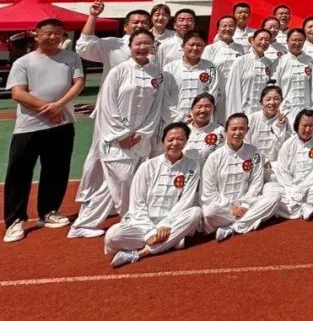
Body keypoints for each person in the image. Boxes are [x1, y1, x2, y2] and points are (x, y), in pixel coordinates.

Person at [69, 28, 163, 239]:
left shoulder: (156, 74)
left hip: (140, 140)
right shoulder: (118, 72)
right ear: (130, 47)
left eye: (146, 43)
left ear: (152, 47)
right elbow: (107, 106)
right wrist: (121, 135)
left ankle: (82, 224)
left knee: (110, 186)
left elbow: (156, 107)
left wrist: (142, 133)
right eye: (138, 44)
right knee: (124, 181)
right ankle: (131, 220)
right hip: (116, 140)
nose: (142, 47)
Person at [3, 17, 84, 243]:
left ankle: (48, 212)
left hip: (62, 124)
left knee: (57, 169)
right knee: (19, 172)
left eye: (58, 33)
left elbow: (78, 83)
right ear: (36, 35)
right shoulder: (24, 62)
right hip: (29, 126)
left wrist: (59, 106)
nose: (53, 37)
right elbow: (18, 93)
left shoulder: (72, 58)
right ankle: (15, 220)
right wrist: (46, 109)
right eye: (48, 33)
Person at [103, 122, 201, 268]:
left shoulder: (192, 166)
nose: (175, 143)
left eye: (180, 139)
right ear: (163, 141)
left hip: (170, 224)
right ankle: (171, 241)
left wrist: (166, 224)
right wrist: (150, 231)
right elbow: (137, 204)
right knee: (112, 236)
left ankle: (140, 253)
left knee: (195, 212)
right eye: (170, 139)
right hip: (142, 225)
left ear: (186, 141)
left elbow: (186, 200)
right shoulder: (147, 166)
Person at [201, 113, 280, 241]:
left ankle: (233, 227)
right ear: (226, 131)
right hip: (224, 209)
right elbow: (209, 191)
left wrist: (244, 205)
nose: (238, 133)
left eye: (242, 129)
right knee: (209, 213)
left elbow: (256, 183)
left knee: (274, 197)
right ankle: (247, 222)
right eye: (234, 129)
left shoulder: (254, 152)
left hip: (247, 205)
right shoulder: (214, 157)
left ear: (247, 131)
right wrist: (230, 207)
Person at [274, 109, 313, 221]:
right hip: (290, 187)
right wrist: (292, 189)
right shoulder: (288, 144)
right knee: (270, 189)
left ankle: (287, 208)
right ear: (297, 125)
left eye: (312, 126)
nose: (308, 129)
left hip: (310, 187)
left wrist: (301, 189)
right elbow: (282, 170)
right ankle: (303, 207)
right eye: (304, 126)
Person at [161, 32, 218, 123]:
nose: (195, 48)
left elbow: (213, 92)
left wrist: (198, 113)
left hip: (201, 119)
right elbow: (164, 96)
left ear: (204, 47)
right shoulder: (169, 68)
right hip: (175, 120)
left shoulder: (210, 67)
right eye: (191, 45)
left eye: (199, 45)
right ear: (183, 46)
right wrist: (179, 116)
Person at [226, 28, 277, 117]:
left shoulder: (269, 63)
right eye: (260, 39)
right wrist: (235, 115)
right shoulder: (241, 61)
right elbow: (232, 90)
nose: (263, 42)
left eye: (267, 40)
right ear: (252, 40)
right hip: (243, 111)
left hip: (262, 114)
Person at [247, 85, 291, 177]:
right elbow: (245, 144)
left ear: (281, 101)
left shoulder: (286, 121)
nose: (272, 102)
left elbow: (286, 149)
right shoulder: (252, 119)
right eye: (268, 99)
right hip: (253, 167)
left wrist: (280, 126)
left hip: (276, 169)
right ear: (261, 102)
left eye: (276, 99)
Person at [275, 28, 313, 122]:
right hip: (286, 110)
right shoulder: (279, 62)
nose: (297, 43)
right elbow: (275, 88)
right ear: (287, 41)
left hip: (306, 109)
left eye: (300, 40)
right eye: (294, 40)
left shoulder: (310, 60)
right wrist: (277, 110)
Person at [205, 16, 246, 86]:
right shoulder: (210, 49)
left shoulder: (240, 48)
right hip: (217, 88)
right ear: (218, 29)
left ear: (235, 29)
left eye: (231, 26)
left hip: (236, 87)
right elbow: (205, 71)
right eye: (224, 26)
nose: (227, 29)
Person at [185, 93, 225, 162]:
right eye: (199, 107)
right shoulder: (183, 131)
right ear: (192, 109)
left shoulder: (220, 131)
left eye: (207, 106)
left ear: (214, 109)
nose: (203, 110)